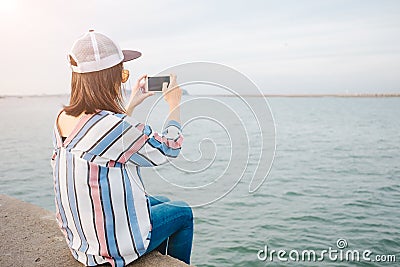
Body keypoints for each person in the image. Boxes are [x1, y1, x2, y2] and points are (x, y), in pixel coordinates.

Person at [51, 30, 193, 267]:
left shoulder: (62, 118)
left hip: (81, 243)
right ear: (109, 79)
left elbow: (103, 138)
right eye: (122, 74)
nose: (122, 80)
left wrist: (133, 102)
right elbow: (169, 148)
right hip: (108, 250)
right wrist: (174, 104)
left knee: (161, 200)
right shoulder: (113, 127)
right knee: (182, 212)